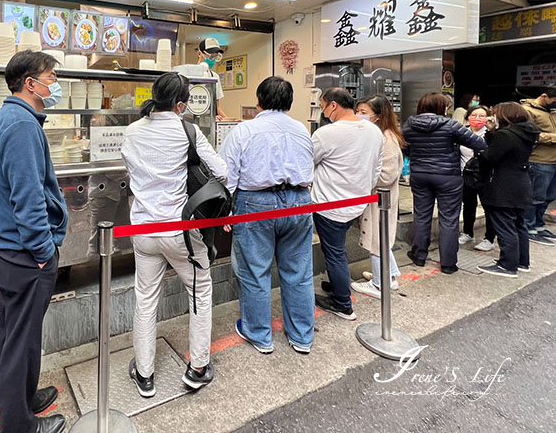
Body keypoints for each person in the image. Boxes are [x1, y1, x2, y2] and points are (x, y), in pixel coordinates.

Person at [121, 72, 225, 397]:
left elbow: (129, 168)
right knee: (199, 294)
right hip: (180, 231)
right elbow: (220, 171)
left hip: (143, 230)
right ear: (180, 104)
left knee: (145, 300)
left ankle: (145, 373)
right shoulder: (187, 130)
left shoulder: (132, 131)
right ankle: (197, 368)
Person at [0, 50, 67, 433]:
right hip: (25, 255)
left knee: (19, 335)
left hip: (14, 252)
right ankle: (19, 425)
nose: (55, 84)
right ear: (31, 83)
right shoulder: (21, 126)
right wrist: (44, 252)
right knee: (19, 341)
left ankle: (22, 397)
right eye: (51, 76)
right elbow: (28, 198)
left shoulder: (12, 118)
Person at [220, 76, 315, 354]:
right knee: (299, 272)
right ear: (289, 102)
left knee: (254, 272)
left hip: (255, 203)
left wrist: (226, 211)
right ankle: (301, 337)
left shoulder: (243, 131)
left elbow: (227, 175)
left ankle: (259, 335)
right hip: (299, 200)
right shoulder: (301, 130)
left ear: (259, 101)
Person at [311, 88, 383, 320]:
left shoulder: (327, 133)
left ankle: (342, 303)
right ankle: (338, 285)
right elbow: (377, 168)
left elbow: (307, 162)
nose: (323, 111)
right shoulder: (373, 130)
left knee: (334, 253)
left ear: (333, 105)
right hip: (357, 202)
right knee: (337, 249)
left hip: (329, 204)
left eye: (322, 106)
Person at [403, 93, 486, 274]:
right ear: (441, 107)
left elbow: (404, 146)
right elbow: (479, 143)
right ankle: (448, 264)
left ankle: (418, 256)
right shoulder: (450, 124)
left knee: (421, 216)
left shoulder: (409, 124)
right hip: (448, 177)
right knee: (449, 219)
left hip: (420, 175)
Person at [477, 103, 539, 277]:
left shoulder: (505, 135)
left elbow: (490, 157)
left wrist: (482, 150)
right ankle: (522, 262)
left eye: (495, 114)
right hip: (521, 183)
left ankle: (507, 265)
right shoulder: (527, 133)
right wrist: (492, 132)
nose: (493, 117)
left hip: (503, 185)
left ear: (504, 115)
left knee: (505, 226)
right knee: (519, 225)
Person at [351, 95, 404, 300]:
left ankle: (379, 285)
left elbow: (387, 175)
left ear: (379, 116)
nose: (358, 116)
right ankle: (389, 276)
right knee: (380, 236)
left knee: (377, 238)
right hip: (377, 196)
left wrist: (361, 174)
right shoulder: (377, 135)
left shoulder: (387, 138)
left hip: (381, 198)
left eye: (364, 113)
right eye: (358, 111)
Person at [457, 105, 496, 251]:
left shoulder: (491, 133)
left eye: (481, 116)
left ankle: (489, 238)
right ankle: (468, 232)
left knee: (488, 207)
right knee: (468, 206)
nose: (477, 119)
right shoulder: (462, 132)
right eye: (474, 115)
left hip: (484, 176)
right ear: (468, 117)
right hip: (465, 176)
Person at [520, 88, 556, 246]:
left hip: (553, 160)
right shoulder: (527, 111)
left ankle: (538, 224)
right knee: (535, 196)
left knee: (549, 196)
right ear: (544, 96)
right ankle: (528, 227)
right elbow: (530, 135)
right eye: (554, 99)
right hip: (539, 160)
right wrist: (554, 138)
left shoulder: (552, 111)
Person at [196, 37, 226, 120]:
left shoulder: (214, 76)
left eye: (215, 57)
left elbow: (217, 107)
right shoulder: (191, 76)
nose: (212, 60)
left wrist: (228, 120)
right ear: (199, 54)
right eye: (210, 56)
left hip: (210, 124)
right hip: (193, 122)